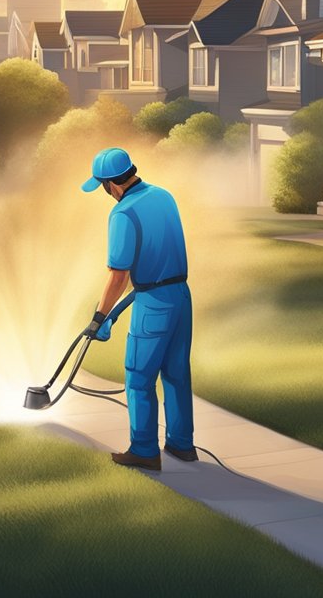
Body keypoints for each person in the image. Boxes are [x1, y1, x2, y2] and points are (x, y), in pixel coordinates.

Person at [81, 147, 195, 471]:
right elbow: (156, 256)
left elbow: (119, 274)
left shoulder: (122, 213)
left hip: (153, 305)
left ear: (110, 185)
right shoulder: (164, 196)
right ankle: (182, 444)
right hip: (181, 296)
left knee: (138, 377)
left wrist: (99, 317)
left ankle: (144, 449)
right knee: (176, 373)